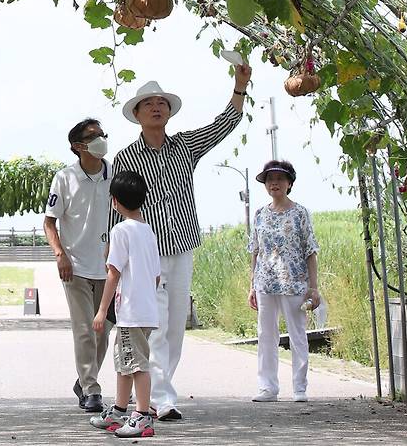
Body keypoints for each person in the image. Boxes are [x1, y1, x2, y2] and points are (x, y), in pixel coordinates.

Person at [109, 68, 252, 420]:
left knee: (175, 327)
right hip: (147, 252)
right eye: (149, 104)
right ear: (137, 115)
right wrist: (114, 261)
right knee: (154, 322)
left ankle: (161, 391)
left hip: (183, 245)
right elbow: (117, 207)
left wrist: (239, 86)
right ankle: (162, 397)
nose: (157, 107)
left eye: (162, 103)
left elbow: (224, 124)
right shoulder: (125, 157)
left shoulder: (186, 146)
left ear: (169, 112)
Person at [43, 118, 113, 413]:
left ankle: (84, 379)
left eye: (102, 134)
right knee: (85, 329)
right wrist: (60, 254)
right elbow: (49, 222)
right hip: (75, 266)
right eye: (93, 135)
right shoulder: (64, 178)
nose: (100, 139)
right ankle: (91, 389)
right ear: (78, 146)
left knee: (103, 330)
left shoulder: (115, 174)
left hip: (110, 268)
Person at [91, 170, 161, 438]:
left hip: (131, 313)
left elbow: (113, 272)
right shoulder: (148, 232)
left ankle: (142, 416)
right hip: (145, 311)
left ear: (114, 202)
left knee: (137, 365)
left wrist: (101, 310)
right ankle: (119, 410)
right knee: (125, 362)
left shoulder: (120, 231)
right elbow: (155, 276)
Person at [248, 159, 320, 403]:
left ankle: (300, 388)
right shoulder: (259, 214)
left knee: (297, 335)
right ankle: (268, 387)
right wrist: (252, 285)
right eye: (269, 179)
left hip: (294, 282)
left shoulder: (300, 213)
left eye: (279, 179)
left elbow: (310, 250)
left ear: (289, 183)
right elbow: (255, 251)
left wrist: (314, 288)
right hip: (265, 282)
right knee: (266, 335)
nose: (274, 183)